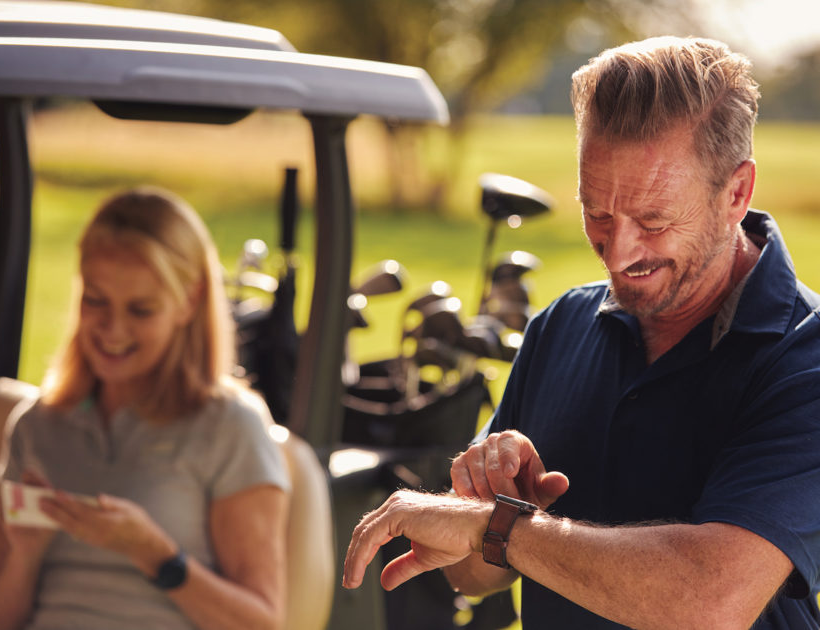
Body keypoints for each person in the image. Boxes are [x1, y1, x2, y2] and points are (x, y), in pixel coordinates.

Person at [343, 36, 820, 629]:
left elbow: (708, 602)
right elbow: (473, 573)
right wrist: (491, 510)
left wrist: (502, 528)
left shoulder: (805, 359)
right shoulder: (561, 325)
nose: (618, 253)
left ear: (737, 193)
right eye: (596, 211)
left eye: (654, 220)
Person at [0, 187, 291, 630]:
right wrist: (24, 559)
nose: (112, 330)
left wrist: (155, 555)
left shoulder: (230, 427)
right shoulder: (38, 426)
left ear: (188, 302)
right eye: (96, 301)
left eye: (141, 310)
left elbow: (262, 623)